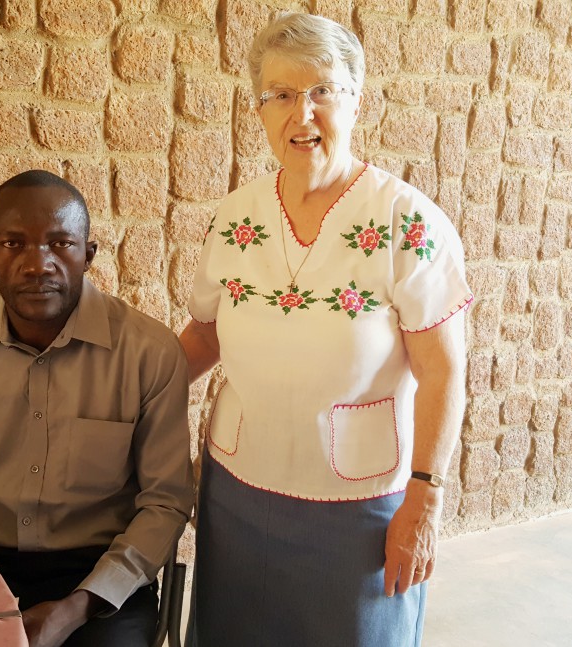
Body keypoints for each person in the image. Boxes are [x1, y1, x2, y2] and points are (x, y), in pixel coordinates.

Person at [180, 13, 472, 646]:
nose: (301, 113)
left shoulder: (406, 222)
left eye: (321, 92)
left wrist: (425, 498)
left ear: (355, 99)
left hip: (360, 508)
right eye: (281, 94)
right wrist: (128, 404)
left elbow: (443, 371)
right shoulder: (236, 218)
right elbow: (203, 337)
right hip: (237, 490)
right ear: (259, 109)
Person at [0, 170, 194, 647]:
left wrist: (79, 605)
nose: (38, 264)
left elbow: (166, 502)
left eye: (60, 243)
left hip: (102, 577)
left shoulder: (149, 352)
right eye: (14, 244)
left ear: (88, 255)